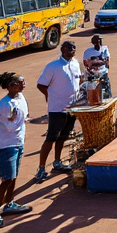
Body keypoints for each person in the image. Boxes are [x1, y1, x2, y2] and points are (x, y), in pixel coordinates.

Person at [34, 41, 81, 182]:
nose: (72, 50)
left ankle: (57, 162)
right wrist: (49, 96)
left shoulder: (76, 63)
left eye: (74, 48)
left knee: (63, 136)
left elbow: (78, 80)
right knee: (51, 138)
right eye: (69, 48)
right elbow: (41, 84)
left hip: (72, 108)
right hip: (57, 109)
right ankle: (41, 169)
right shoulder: (53, 67)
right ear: (62, 49)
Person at [0, 72, 32, 228]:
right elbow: (10, 126)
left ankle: (9, 203)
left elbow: (24, 116)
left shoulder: (20, 98)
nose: (23, 84)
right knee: (7, 179)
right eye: (19, 82)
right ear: (10, 86)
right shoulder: (5, 105)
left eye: (23, 81)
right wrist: (16, 119)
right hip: (6, 146)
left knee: (13, 177)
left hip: (17, 143)